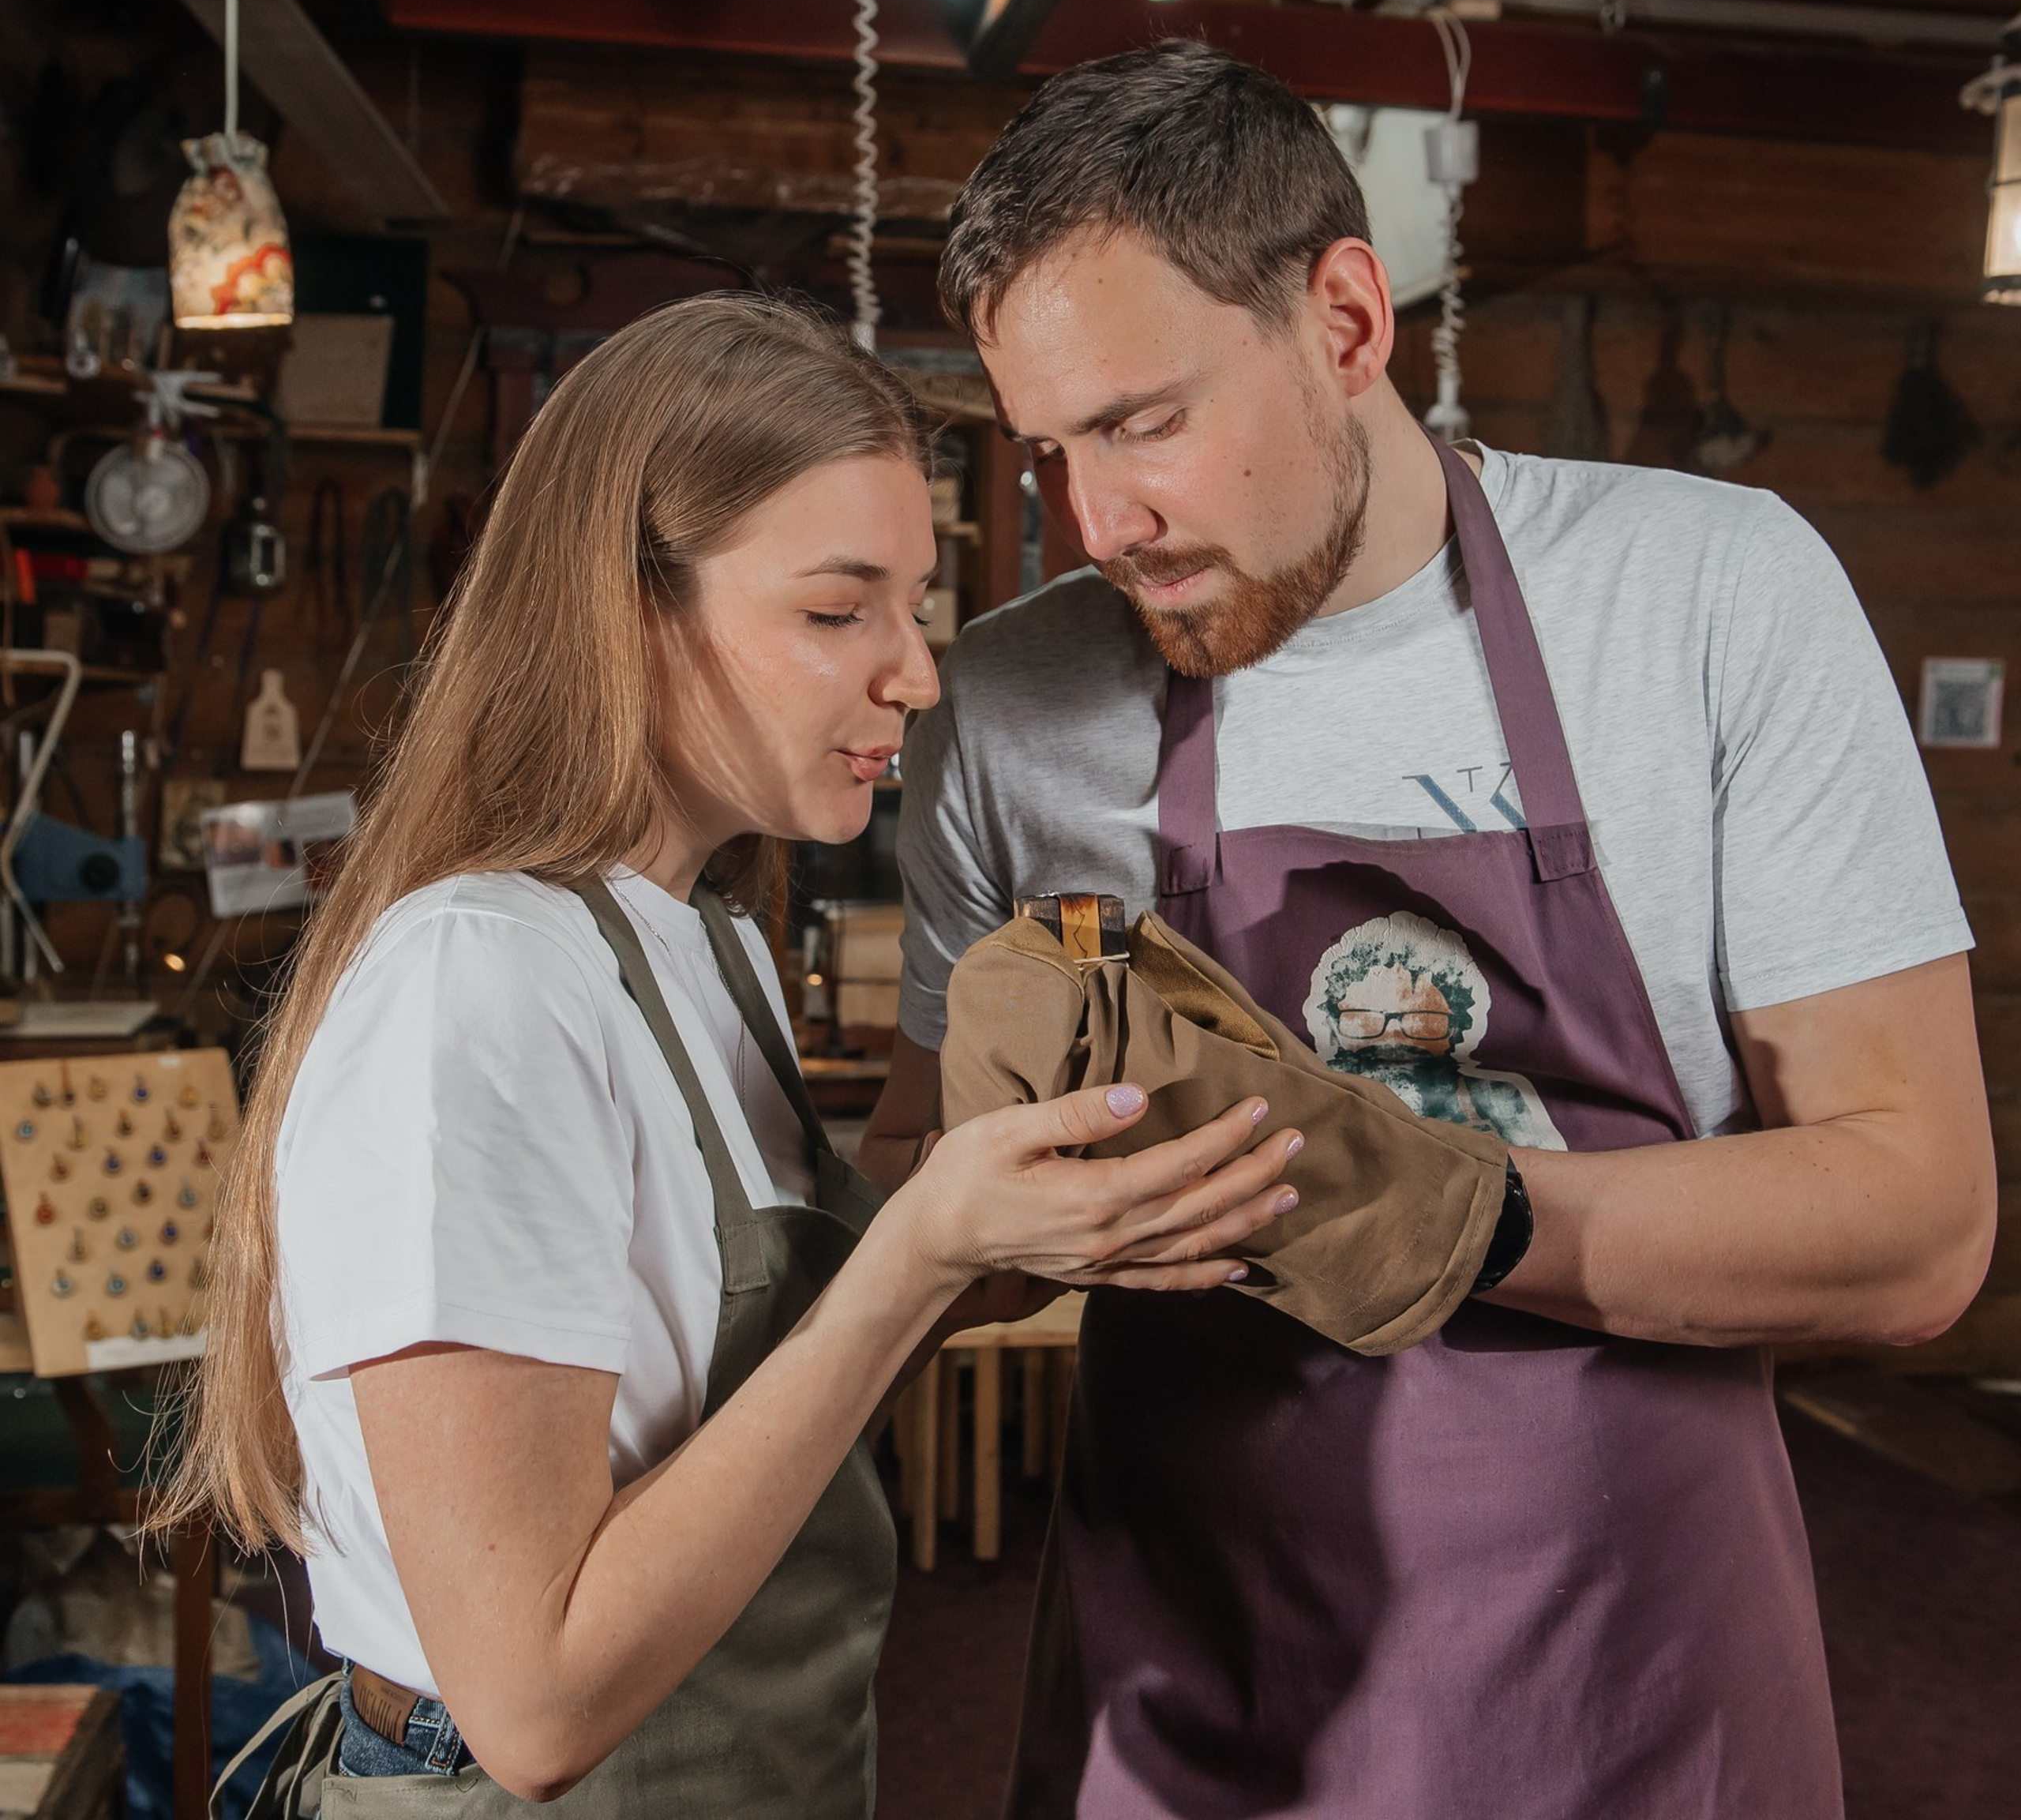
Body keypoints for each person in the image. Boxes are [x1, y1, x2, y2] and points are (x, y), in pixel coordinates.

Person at [865, 43, 1997, 1819]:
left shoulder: (1703, 592)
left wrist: (1429, 1207)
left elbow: (1916, 1225)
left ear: (1341, 315)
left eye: (1145, 421)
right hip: (1195, 1690)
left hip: (1638, 1692)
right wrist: (977, 1192)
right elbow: (936, 1223)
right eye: (1050, 448)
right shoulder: (1008, 705)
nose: (1100, 522)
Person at [160, 292, 1303, 1817]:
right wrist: (915, 1261)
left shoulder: (706, 941)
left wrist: (1037, 1232)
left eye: (913, 607)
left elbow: (727, 1390)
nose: (915, 675)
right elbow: (535, 1703)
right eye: (838, 612)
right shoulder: (481, 982)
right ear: (629, 608)